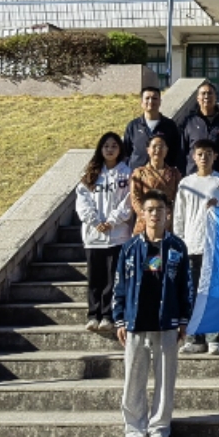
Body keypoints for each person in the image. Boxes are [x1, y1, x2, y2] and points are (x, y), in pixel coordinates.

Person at [112, 189, 192, 437]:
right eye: (150, 210)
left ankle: (158, 432)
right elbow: (119, 285)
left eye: (160, 209)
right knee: (132, 381)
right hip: (136, 321)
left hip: (167, 321)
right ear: (142, 214)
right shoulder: (130, 248)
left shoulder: (177, 247)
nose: (155, 214)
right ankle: (135, 433)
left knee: (165, 380)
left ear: (167, 213)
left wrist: (184, 318)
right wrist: (119, 319)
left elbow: (186, 285)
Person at [172, 139, 219, 356]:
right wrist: (180, 241)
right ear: (194, 156)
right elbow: (179, 216)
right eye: (200, 154)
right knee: (193, 293)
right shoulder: (186, 183)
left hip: (217, 246)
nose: (204, 158)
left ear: (215, 156)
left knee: (214, 293)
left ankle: (214, 338)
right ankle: (194, 338)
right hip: (192, 244)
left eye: (208, 154)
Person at [75, 132, 134, 333]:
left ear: (120, 149)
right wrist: (95, 221)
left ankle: (108, 315)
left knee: (112, 278)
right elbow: (83, 203)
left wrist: (112, 221)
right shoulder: (90, 174)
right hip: (94, 236)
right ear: (100, 149)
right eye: (106, 146)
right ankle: (93, 314)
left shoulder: (127, 173)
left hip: (117, 235)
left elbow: (128, 201)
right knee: (95, 278)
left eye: (114, 146)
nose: (110, 149)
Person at [178, 81, 219, 179]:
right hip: (194, 176)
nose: (206, 96)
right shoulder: (189, 121)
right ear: (198, 98)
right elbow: (182, 151)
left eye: (210, 93)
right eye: (203, 93)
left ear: (215, 97)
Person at [129, 133, 181, 233]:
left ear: (166, 150)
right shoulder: (139, 173)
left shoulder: (174, 173)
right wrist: (146, 215)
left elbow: (179, 198)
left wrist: (171, 215)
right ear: (148, 150)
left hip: (167, 219)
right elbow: (135, 198)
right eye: (154, 146)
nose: (158, 149)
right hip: (145, 219)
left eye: (161, 146)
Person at [123, 87, 182, 173]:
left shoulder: (169, 125)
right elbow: (125, 153)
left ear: (160, 102)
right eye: (147, 98)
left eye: (154, 98)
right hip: (137, 177)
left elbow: (176, 152)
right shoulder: (133, 126)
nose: (151, 101)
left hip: (163, 176)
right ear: (141, 102)